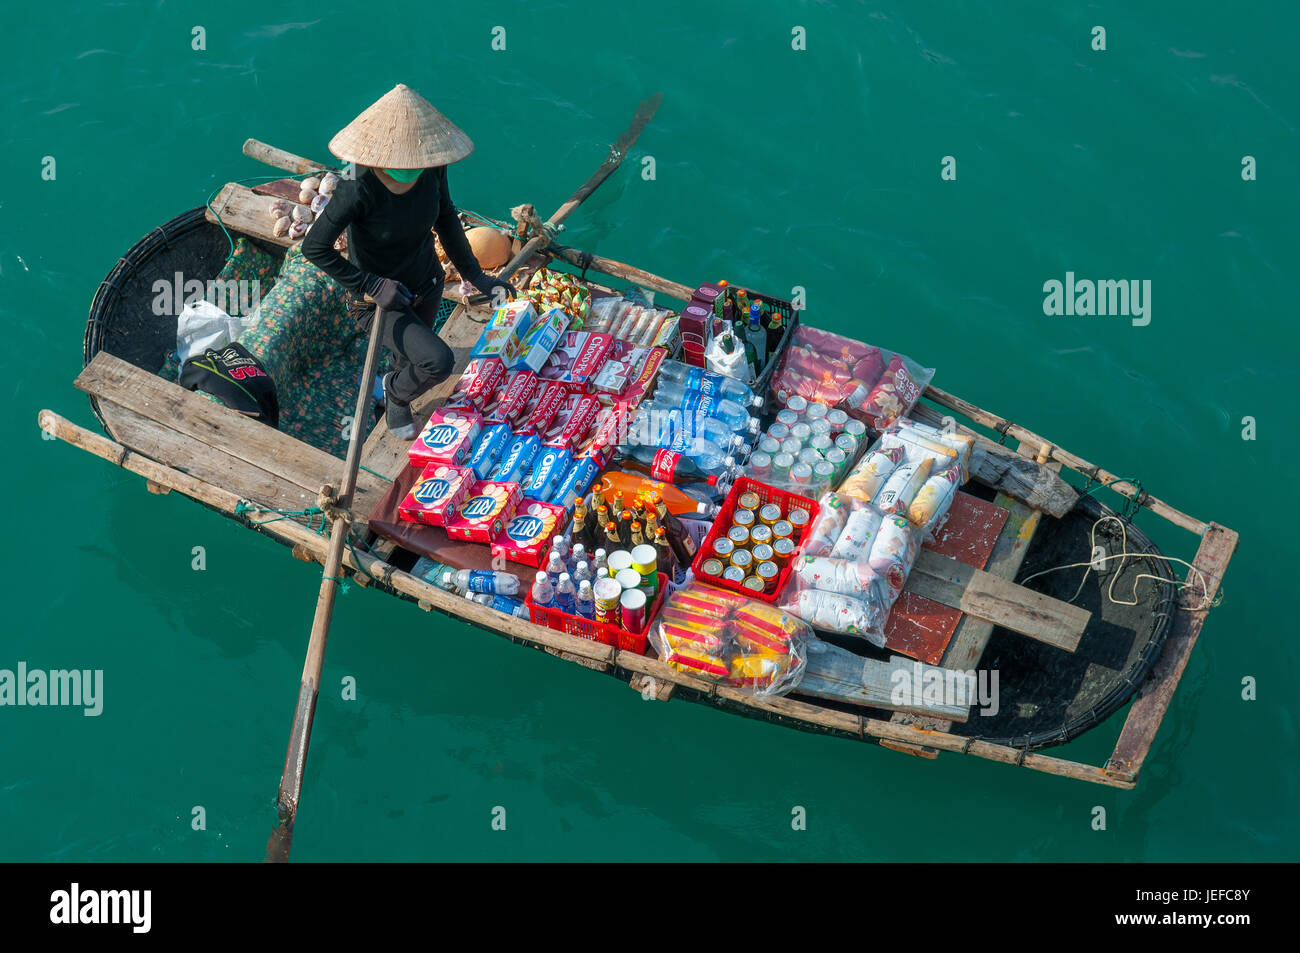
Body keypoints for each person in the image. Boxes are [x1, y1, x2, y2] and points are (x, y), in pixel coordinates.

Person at [303, 84, 514, 438]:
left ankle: (392, 388)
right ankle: (397, 396)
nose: (413, 167)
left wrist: (477, 275)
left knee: (411, 357)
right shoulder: (357, 186)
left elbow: (446, 216)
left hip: (426, 282)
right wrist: (371, 284)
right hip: (378, 301)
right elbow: (315, 247)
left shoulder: (432, 168)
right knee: (438, 361)